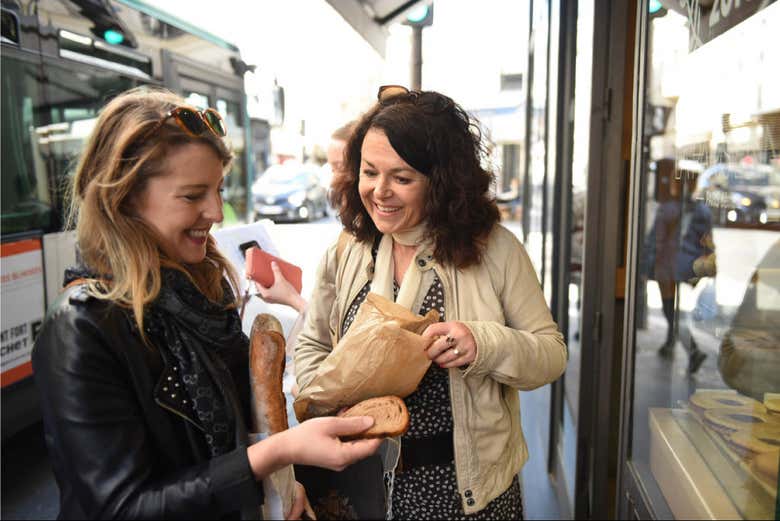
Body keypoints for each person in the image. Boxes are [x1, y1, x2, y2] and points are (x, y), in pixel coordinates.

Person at [31, 87, 381, 520]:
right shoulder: (82, 326)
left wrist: (284, 485)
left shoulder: (203, 292)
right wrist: (275, 454)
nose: (216, 211)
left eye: (218, 189)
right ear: (122, 196)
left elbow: (242, 428)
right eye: (193, 195)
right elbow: (121, 507)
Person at [295, 85, 568, 519]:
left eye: (402, 178)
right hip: (357, 484)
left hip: (463, 492)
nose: (379, 191)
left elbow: (551, 355)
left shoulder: (494, 250)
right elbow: (310, 344)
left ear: (441, 182)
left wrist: (483, 344)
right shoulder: (347, 247)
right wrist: (328, 398)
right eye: (369, 172)